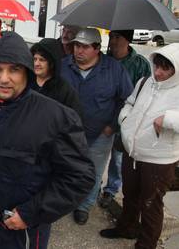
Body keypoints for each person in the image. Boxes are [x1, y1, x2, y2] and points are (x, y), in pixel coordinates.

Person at [0, 32, 95, 249]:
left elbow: (79, 177)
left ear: (27, 73)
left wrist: (31, 213)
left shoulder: (54, 117)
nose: (4, 78)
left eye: (14, 69)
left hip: (20, 232)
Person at [100, 43, 179, 249]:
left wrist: (168, 119)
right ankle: (126, 228)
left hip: (159, 160)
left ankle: (146, 244)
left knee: (151, 204)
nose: (159, 72)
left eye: (166, 69)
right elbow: (130, 102)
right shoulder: (145, 81)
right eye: (157, 66)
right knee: (130, 194)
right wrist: (125, 120)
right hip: (132, 151)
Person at [60, 28, 133, 225]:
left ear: (97, 48)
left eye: (84, 47)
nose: (78, 51)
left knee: (92, 171)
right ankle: (64, 199)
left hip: (100, 133)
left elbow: (127, 99)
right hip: (66, 132)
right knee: (66, 167)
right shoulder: (63, 66)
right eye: (76, 45)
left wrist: (112, 125)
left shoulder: (114, 69)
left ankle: (84, 205)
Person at [99, 30, 152, 209]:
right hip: (103, 117)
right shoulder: (103, 59)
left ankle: (111, 190)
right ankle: (92, 186)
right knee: (97, 156)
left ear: (127, 40)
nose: (112, 41)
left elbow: (145, 93)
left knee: (118, 157)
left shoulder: (140, 64)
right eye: (111, 37)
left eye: (117, 37)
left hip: (126, 120)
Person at [30, 38, 81, 115]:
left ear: (52, 63)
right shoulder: (26, 82)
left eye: (42, 60)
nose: (37, 64)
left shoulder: (64, 90)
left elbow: (73, 118)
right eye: (35, 59)